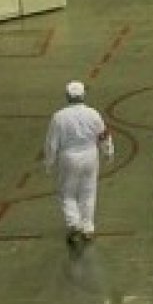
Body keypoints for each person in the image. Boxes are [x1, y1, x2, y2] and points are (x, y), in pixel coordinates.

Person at [44, 80, 114, 244]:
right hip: (90, 155)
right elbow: (103, 135)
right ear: (83, 95)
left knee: (67, 192)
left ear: (67, 96)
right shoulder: (93, 114)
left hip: (68, 157)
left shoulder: (59, 117)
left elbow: (51, 143)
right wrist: (108, 152)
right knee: (88, 192)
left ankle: (74, 223)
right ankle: (87, 228)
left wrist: (49, 161)